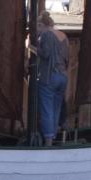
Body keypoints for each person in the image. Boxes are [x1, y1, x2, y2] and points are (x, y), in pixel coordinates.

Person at [33, 12, 69, 145]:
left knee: (47, 109)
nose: (36, 29)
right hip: (63, 77)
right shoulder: (63, 35)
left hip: (49, 77)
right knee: (56, 108)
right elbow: (67, 58)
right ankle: (52, 137)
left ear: (42, 25)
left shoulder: (46, 34)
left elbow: (46, 54)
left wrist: (31, 48)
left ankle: (48, 143)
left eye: (38, 26)